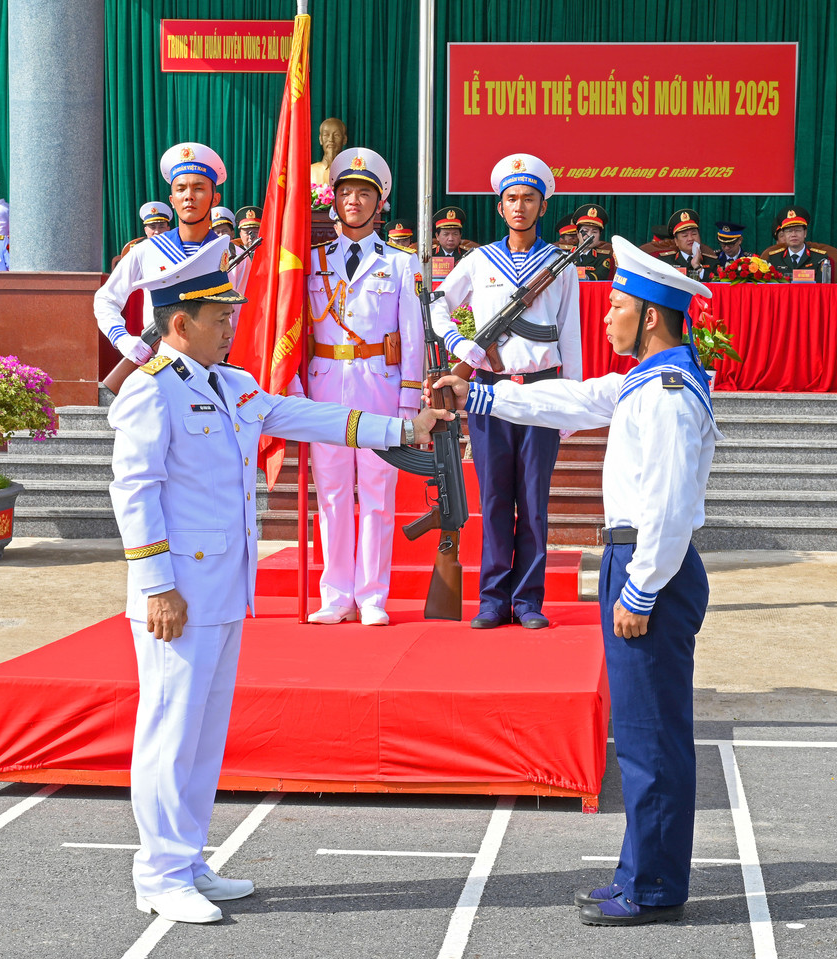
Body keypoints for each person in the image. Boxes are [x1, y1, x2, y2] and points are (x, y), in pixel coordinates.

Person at [111, 236, 450, 925]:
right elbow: (134, 491)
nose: (231, 328)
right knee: (170, 732)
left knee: (203, 734)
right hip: (177, 592)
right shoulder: (151, 391)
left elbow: (308, 416)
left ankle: (188, 858)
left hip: (222, 588)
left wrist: (402, 428)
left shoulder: (230, 384)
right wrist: (155, 585)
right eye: (220, 318)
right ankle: (159, 872)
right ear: (181, 324)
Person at [433, 235, 720, 927]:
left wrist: (641, 588)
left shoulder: (668, 393)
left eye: (617, 306)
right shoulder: (646, 380)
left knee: (651, 737)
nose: (606, 316)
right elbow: (567, 400)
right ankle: (640, 872)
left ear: (651, 317)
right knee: (643, 733)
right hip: (639, 560)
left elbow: (671, 506)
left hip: (651, 566)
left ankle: (653, 887)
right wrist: (480, 395)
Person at [429, 153, 582, 630]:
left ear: (542, 206)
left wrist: (572, 404)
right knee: (495, 497)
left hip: (541, 391)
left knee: (533, 500)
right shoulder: (479, 261)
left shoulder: (560, 265)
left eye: (529, 198)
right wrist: (458, 343)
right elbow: (437, 302)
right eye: (511, 198)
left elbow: (570, 334)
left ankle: (528, 600)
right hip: (489, 393)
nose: (519, 206)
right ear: (500, 207)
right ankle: (492, 599)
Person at [304, 148, 424, 627]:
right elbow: (296, 328)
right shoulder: (311, 260)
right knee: (332, 494)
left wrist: (410, 400)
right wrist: (293, 390)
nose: (353, 201)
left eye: (364, 193)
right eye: (346, 192)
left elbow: (412, 334)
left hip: (380, 386)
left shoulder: (400, 263)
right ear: (333, 200)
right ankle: (335, 594)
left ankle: (372, 595)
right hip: (325, 386)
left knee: (378, 492)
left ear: (380, 203)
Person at [95, 142, 228, 365]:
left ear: (215, 198)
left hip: (216, 363)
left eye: (198, 188)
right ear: (172, 200)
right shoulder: (148, 250)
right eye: (181, 189)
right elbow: (106, 299)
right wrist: (122, 338)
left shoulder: (230, 253)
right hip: (161, 361)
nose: (189, 196)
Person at [764, 207, 829, 280]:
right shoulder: (774, 258)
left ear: (805, 233)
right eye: (789, 231)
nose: (793, 235)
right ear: (784, 235)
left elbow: (822, 285)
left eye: (798, 230)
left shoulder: (819, 258)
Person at [112, 202, 175, 269]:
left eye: (161, 227)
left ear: (168, 229)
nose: (157, 232)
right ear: (145, 230)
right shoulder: (137, 248)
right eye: (153, 227)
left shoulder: (175, 245)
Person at [655, 208, 711, 281]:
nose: (690, 238)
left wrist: (697, 267)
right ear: (676, 241)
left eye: (694, 234)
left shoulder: (711, 261)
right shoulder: (665, 262)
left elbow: (717, 285)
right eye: (685, 236)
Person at [573, 204, 616, 281]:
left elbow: (600, 275)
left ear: (600, 235)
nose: (589, 236)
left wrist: (584, 277)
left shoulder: (603, 257)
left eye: (594, 232)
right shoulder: (566, 253)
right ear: (577, 233)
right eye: (585, 231)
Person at [310, 116, 348, 188]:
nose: (331, 139)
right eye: (326, 135)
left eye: (336, 135)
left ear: (344, 139)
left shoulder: (350, 173)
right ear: (320, 139)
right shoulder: (310, 172)